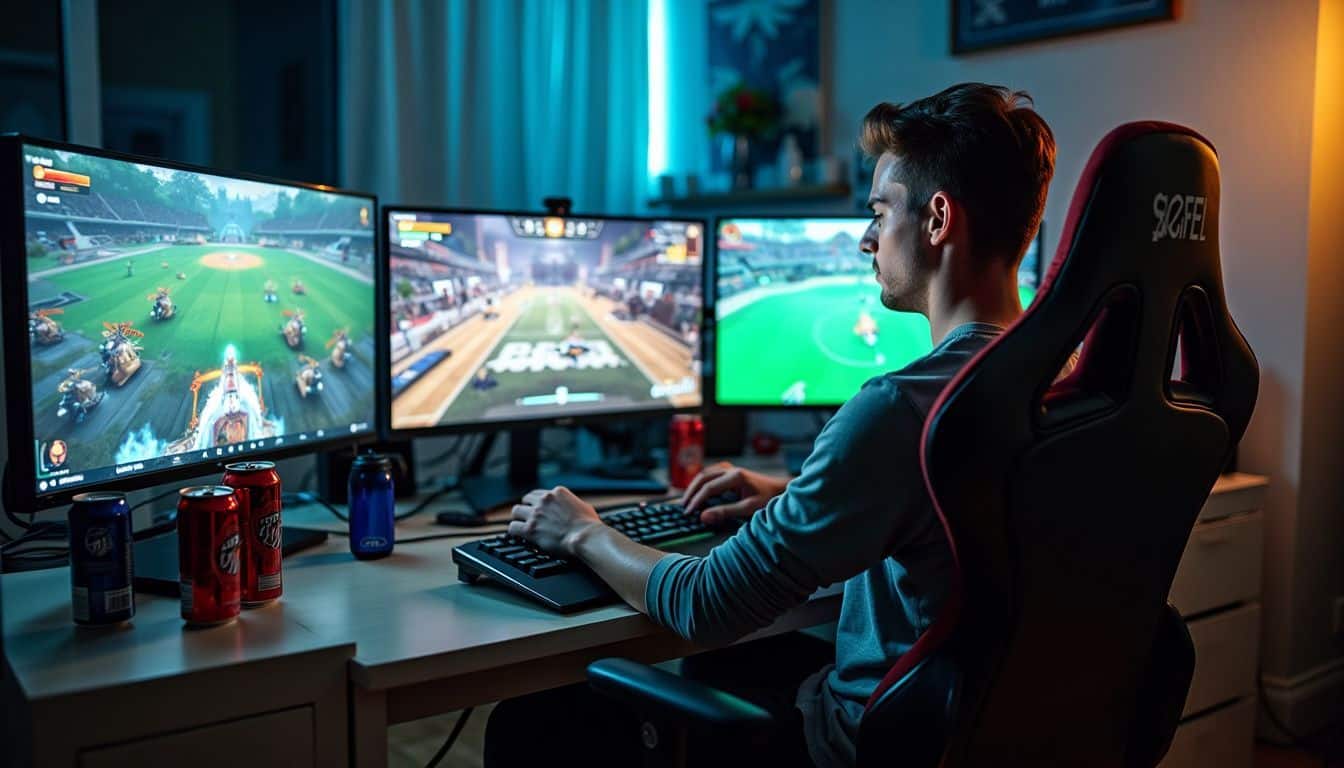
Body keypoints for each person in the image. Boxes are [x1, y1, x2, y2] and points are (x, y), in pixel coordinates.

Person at [486, 83, 1056, 768]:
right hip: (1001, 739)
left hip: (863, 743)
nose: (865, 239)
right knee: (721, 673)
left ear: (937, 219)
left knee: (528, 724)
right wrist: (799, 492)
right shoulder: (1074, 379)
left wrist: (581, 530)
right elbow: (956, 512)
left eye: (879, 212)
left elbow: (706, 604)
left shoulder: (900, 411)